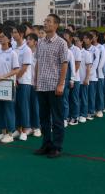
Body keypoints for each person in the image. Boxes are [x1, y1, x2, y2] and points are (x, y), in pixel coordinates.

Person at [33, 14, 68, 159]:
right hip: (41, 85)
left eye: (48, 21)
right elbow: (38, 62)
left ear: (56, 25)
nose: (45, 23)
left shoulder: (61, 43)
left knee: (57, 118)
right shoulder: (40, 42)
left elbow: (64, 63)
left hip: (54, 86)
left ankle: (57, 146)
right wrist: (35, 80)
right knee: (44, 118)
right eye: (45, 21)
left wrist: (61, 84)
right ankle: (46, 144)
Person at [0, 27, 20, 143]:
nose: (1, 38)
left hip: (8, 84)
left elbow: (16, 69)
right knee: (0, 109)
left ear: (9, 39)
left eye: (3, 36)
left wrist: (4, 76)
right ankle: (2, 132)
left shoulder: (13, 53)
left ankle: (10, 133)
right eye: (0, 36)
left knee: (9, 109)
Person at [14, 25, 33, 141]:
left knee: (24, 106)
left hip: (24, 81)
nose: (13, 34)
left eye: (15, 32)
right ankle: (18, 129)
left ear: (21, 34)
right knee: (16, 106)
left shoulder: (27, 49)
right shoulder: (13, 48)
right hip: (15, 81)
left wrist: (16, 79)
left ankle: (25, 130)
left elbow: (24, 67)